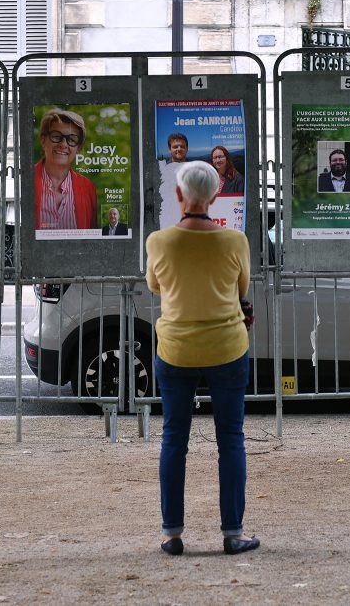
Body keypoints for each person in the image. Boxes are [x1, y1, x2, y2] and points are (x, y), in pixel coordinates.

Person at [145, 160, 259, 557]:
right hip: (227, 347)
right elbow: (241, 286)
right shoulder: (235, 241)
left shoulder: (158, 242)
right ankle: (233, 533)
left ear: (179, 194)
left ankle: (172, 533)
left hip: (175, 350)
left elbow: (156, 286)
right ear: (214, 196)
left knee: (174, 439)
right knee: (230, 439)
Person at [34, 108, 97, 230]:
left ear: (78, 148)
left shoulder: (88, 188)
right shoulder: (24, 180)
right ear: (43, 141)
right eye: (56, 136)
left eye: (71, 139)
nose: (63, 144)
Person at [159, 133, 190, 227]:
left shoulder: (194, 170)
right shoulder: (161, 171)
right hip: (167, 222)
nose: (179, 149)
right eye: (175, 147)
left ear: (187, 149)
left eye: (182, 146)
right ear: (170, 149)